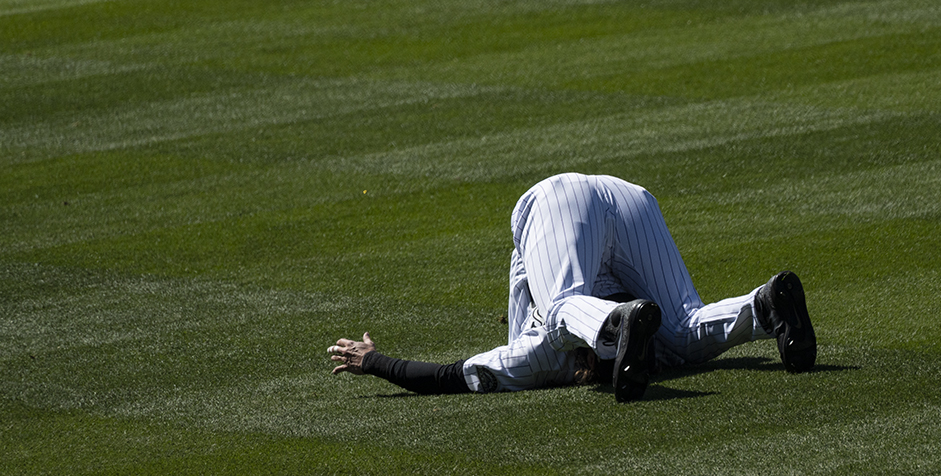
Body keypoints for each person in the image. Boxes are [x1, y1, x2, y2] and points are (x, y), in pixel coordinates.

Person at [328, 172, 816, 402]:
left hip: (564, 205)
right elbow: (445, 375)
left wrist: (375, 362)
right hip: (628, 203)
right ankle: (767, 304)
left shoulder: (541, 357)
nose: (583, 376)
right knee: (685, 332)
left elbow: (447, 378)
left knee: (562, 309)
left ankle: (613, 320)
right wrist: (375, 361)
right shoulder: (649, 351)